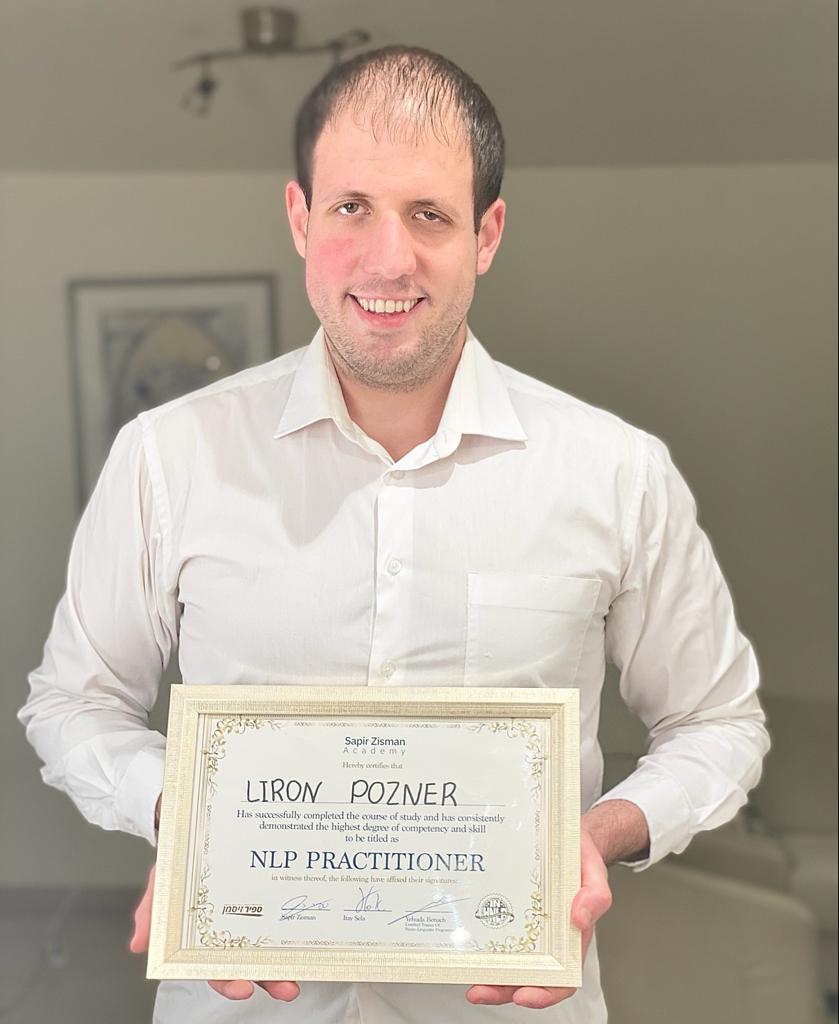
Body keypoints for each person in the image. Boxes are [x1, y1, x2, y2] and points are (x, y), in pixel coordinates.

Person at [19, 45, 769, 1023]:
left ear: (485, 234)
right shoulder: (168, 456)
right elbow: (72, 702)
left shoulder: (615, 471)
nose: (386, 259)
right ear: (300, 219)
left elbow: (717, 725)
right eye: (350, 207)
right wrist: (191, 815)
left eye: (428, 214)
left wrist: (597, 834)